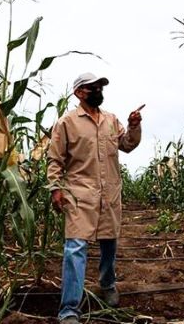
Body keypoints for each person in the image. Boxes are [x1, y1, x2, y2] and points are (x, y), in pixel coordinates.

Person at [47, 72, 142, 324]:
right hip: (79, 194)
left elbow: (127, 144)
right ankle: (69, 309)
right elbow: (55, 158)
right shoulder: (66, 122)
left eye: (100, 87)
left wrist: (133, 126)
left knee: (109, 243)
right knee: (75, 249)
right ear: (79, 92)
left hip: (109, 194)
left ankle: (107, 284)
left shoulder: (111, 120)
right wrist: (55, 188)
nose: (99, 90)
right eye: (93, 88)